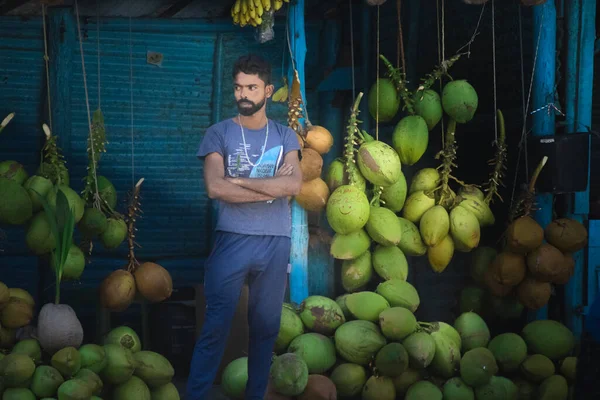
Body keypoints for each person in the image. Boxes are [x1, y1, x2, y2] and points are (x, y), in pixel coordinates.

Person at [186, 54, 303, 400]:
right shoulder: (218, 133)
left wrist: (237, 180)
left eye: (251, 87)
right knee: (215, 328)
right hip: (232, 241)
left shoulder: (286, 137)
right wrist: (267, 185)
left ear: (267, 90)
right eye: (239, 87)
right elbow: (215, 188)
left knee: (266, 330)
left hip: (275, 241)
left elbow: (293, 186)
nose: (244, 94)